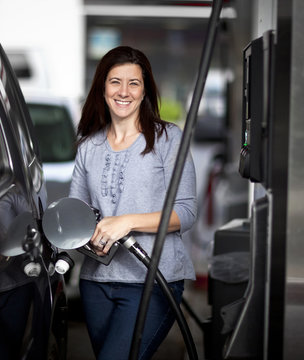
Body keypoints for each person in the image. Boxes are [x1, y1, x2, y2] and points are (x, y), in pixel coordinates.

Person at [69, 46, 198, 359]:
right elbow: (76, 214)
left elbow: (186, 212)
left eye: (134, 83)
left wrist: (125, 222)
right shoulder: (89, 146)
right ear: (102, 88)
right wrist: (85, 236)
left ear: (145, 90)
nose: (123, 91)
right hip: (96, 283)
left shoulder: (168, 139)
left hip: (153, 281)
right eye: (115, 82)